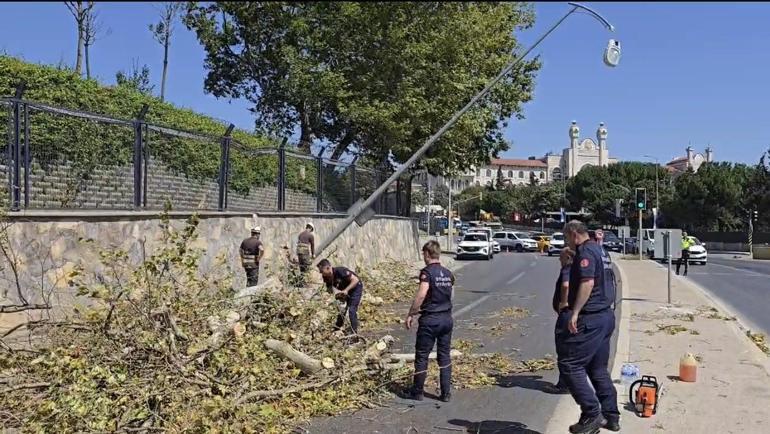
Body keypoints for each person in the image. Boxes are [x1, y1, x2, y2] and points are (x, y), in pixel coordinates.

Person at [556, 220, 620, 433]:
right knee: (597, 369)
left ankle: (591, 413)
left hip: (590, 317)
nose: (567, 242)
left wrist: (574, 312)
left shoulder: (586, 252)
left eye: (567, 238)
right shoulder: (600, 250)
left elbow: (588, 282)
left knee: (569, 365)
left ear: (574, 234)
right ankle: (611, 416)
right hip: (606, 316)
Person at [404, 240, 454, 402]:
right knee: (444, 356)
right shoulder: (448, 273)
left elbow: (421, 294)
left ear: (427, 254)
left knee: (422, 355)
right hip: (446, 318)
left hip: (430, 320)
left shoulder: (427, 273)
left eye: (423, 254)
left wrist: (411, 313)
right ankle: (445, 393)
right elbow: (451, 295)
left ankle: (417, 392)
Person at [544, 246, 574, 395]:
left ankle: (564, 385)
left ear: (567, 258)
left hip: (567, 313)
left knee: (563, 349)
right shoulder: (578, 269)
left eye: (561, 257)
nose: (559, 259)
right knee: (569, 349)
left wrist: (563, 302)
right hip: (572, 312)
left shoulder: (568, 268)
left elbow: (565, 285)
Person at [317, 259, 363, 334]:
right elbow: (329, 289)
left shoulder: (340, 271)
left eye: (322, 271)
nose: (320, 273)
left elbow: (355, 280)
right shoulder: (326, 277)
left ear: (328, 268)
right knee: (341, 309)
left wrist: (346, 290)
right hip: (344, 291)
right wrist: (335, 295)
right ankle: (337, 328)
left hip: (355, 288)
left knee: (351, 310)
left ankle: (354, 333)